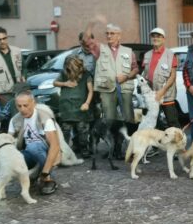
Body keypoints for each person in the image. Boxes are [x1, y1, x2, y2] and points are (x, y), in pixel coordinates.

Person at [0, 91, 63, 195]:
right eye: (19, 106)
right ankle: (31, 177)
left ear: (33, 103)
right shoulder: (15, 120)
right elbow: (7, 141)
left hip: (47, 152)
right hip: (27, 153)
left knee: (33, 146)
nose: (22, 109)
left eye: (25, 105)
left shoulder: (44, 118)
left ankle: (48, 178)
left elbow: (55, 146)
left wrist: (45, 173)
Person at [83, 21, 139, 156]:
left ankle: (126, 149)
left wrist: (126, 77)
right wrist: (91, 24)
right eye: (107, 33)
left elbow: (135, 69)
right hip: (107, 91)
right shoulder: (99, 49)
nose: (109, 36)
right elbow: (86, 40)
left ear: (119, 36)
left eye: (112, 33)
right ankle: (114, 149)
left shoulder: (128, 51)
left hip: (124, 90)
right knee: (110, 120)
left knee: (127, 119)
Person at [53, 56, 93, 157]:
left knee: (82, 130)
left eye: (71, 68)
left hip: (80, 108)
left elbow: (90, 91)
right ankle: (65, 151)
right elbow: (54, 83)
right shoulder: (64, 74)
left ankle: (84, 148)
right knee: (65, 130)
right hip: (66, 108)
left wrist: (87, 103)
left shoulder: (86, 75)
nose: (69, 70)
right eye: (67, 68)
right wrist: (65, 83)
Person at [142, 27, 180, 128]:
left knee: (172, 122)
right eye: (153, 36)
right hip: (152, 96)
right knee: (154, 123)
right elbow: (144, 75)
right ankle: (156, 143)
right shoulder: (147, 55)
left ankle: (178, 142)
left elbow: (173, 76)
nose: (156, 38)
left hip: (167, 95)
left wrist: (162, 91)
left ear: (163, 39)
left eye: (159, 36)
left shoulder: (170, 54)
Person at [0, 27, 25, 106]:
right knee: (7, 116)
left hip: (20, 91)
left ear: (7, 37)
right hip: (4, 94)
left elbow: (24, 68)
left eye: (4, 38)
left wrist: (24, 75)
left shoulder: (17, 51)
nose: (2, 41)